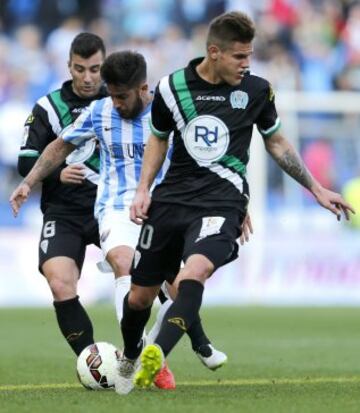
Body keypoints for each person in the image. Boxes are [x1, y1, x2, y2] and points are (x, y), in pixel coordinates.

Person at [109, 11, 353, 394]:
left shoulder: (257, 90)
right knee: (139, 298)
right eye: (240, 56)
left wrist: (316, 189)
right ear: (214, 52)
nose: (247, 64)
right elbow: (158, 137)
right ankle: (129, 353)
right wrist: (144, 190)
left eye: (249, 55)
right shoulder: (172, 88)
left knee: (194, 274)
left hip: (222, 204)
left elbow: (277, 142)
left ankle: (158, 352)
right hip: (171, 201)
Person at [10, 50, 232, 392]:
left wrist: (230, 202)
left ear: (143, 89)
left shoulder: (167, 110)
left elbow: (203, 159)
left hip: (164, 208)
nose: (114, 103)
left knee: (177, 287)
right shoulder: (100, 111)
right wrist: (28, 182)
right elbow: (58, 146)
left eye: (121, 96)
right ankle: (141, 358)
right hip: (115, 207)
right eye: (111, 94)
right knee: (123, 262)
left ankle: (184, 345)